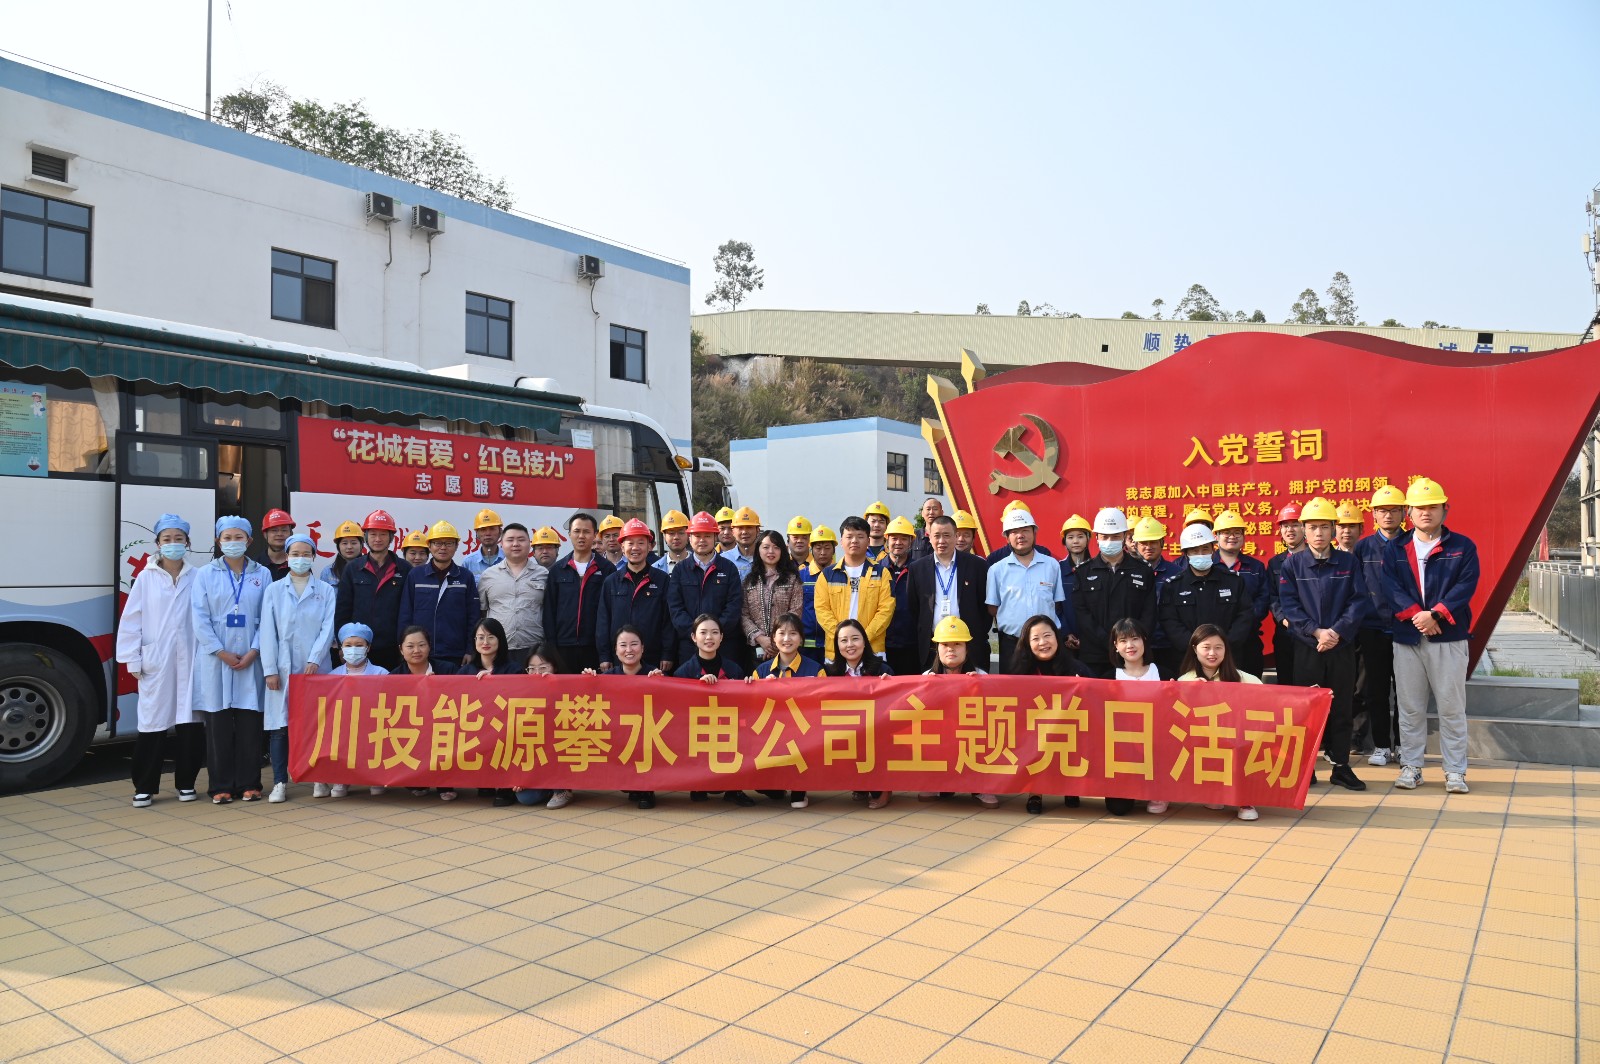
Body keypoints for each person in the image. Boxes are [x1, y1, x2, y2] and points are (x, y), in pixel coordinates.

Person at [1384, 478, 1479, 795]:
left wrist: (1436, 614)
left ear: (1444, 509)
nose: (1426, 512)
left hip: (1448, 638)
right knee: (1409, 707)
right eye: (1420, 507)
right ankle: (1411, 766)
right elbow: (1390, 588)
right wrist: (1419, 616)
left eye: (1433, 507)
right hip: (1407, 638)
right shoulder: (1395, 548)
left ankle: (1455, 771)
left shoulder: (1462, 547)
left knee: (1451, 707)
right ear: (1409, 512)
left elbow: (1465, 586)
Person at [1277, 496, 1370, 791]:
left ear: (1333, 529)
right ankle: (1307, 768)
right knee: (1306, 710)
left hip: (1340, 648)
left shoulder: (1348, 562)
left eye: (1325, 527)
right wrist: (1316, 633)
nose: (1318, 533)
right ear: (1304, 530)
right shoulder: (1293, 565)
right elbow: (1290, 606)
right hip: (1307, 648)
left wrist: (1336, 633)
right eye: (1313, 527)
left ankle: (1341, 766)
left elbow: (1358, 601)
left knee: (1341, 706)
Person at [116, 513, 203, 808]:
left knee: (190, 724)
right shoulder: (146, 577)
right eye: (167, 539)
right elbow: (132, 619)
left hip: (191, 660)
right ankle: (144, 786)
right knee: (153, 724)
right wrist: (132, 659)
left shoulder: (197, 576)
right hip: (157, 661)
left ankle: (186, 783)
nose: (173, 543)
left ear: (187, 543)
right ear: (157, 543)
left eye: (179, 538)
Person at [192, 516, 269, 804]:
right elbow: (199, 618)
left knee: (250, 725)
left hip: (251, 657)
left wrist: (254, 651)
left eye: (239, 537)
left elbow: (268, 616)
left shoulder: (262, 573)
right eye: (227, 537)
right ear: (218, 541)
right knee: (218, 726)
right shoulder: (205, 574)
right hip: (216, 659)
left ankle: (250, 783)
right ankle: (220, 785)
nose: (233, 542)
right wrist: (220, 651)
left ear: (249, 541)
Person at [259, 533, 336, 804]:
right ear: (287, 557)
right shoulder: (274, 590)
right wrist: (270, 669)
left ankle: (319, 778)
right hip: (282, 668)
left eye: (305, 554)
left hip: (316, 668)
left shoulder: (325, 590)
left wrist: (315, 659)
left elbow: (328, 628)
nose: (300, 559)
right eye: (295, 554)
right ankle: (280, 781)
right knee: (280, 726)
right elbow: (267, 631)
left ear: (313, 557)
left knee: (316, 723)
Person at [1176, 624, 1262, 821]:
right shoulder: (1184, 680)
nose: (1212, 653)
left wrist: (1309, 697)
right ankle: (1212, 792)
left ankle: (1245, 799)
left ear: (1226, 649)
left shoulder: (1245, 678)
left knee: (1244, 745)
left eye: (1218, 647)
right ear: (1194, 648)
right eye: (1206, 647)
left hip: (1234, 740)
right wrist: (1186, 691)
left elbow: (1273, 701)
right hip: (1198, 741)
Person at [1008, 615, 1092, 814]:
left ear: (1057, 637)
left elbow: (1097, 697)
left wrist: (1084, 688)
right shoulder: (1019, 671)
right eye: (1035, 638)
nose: (1043, 643)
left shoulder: (1075, 667)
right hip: (1034, 730)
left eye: (1047, 636)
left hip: (1068, 730)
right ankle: (1035, 792)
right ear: (1027, 643)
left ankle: (1071, 787)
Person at [675, 615, 754, 807]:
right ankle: (697, 784)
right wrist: (698, 688)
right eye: (703, 632)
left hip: (728, 729)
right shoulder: (682, 673)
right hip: (698, 732)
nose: (709, 637)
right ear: (694, 637)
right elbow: (678, 712)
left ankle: (734, 789)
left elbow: (745, 706)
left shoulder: (734, 670)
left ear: (721, 637)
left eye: (714, 632)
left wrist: (749, 686)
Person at [585, 625, 666, 809]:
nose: (629, 650)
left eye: (634, 644)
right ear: (615, 650)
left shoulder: (653, 674)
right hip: (619, 735)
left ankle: (647, 789)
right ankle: (631, 783)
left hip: (647, 735)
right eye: (623, 645)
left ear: (642, 648)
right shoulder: (607, 677)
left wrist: (661, 683)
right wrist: (587, 681)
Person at [1072, 508, 1159, 679]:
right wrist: (1109, 642)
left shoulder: (1143, 570)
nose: (1109, 541)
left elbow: (1149, 613)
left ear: (1125, 536)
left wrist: (1130, 641)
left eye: (1115, 536)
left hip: (1133, 655)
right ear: (1096, 537)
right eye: (1104, 537)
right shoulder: (1083, 572)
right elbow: (1082, 614)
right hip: (1095, 655)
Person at [921, 616, 999, 807]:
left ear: (967, 648)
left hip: (971, 739)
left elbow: (994, 716)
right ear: (937, 648)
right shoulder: (925, 678)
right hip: (941, 738)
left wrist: (979, 688)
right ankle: (936, 781)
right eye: (945, 644)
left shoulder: (981, 676)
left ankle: (980, 785)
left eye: (957, 644)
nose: (951, 649)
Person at [1357, 484, 1407, 767]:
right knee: (1376, 690)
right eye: (1382, 510)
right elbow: (1355, 587)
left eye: (1394, 510)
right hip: (1372, 629)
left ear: (1404, 513)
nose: (1388, 515)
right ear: (1373, 514)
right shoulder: (1363, 547)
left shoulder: (1411, 543)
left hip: (1405, 628)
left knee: (1406, 691)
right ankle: (1381, 746)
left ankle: (1402, 745)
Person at [749, 613, 822, 808]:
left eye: (793, 633)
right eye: (781, 633)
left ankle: (799, 788)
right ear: (773, 637)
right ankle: (777, 785)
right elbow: (752, 708)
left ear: (801, 639)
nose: (787, 639)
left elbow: (821, 707)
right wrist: (760, 688)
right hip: (772, 733)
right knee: (766, 789)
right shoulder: (761, 671)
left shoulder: (816, 670)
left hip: (803, 731)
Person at [1161, 523, 1257, 667]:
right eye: (1195, 550)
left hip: (1229, 658)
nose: (1201, 554)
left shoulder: (1233, 581)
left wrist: (1222, 646)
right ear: (1186, 554)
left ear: (1213, 550)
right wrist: (1196, 648)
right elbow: (1170, 622)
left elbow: (1244, 615)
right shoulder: (1173, 586)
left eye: (1205, 549)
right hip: (1188, 658)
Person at [823, 619, 894, 808]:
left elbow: (895, 702)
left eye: (855, 638)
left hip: (876, 730)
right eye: (843, 640)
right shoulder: (830, 672)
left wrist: (890, 684)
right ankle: (860, 784)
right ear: (837, 645)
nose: (850, 645)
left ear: (864, 641)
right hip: (845, 729)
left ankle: (884, 789)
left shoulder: (882, 669)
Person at [987, 508, 1066, 673]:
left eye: (1025, 530)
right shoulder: (997, 570)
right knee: (1014, 688)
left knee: (1050, 687)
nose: (1020, 536)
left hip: (1046, 645)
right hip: (1012, 645)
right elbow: (993, 608)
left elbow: (1057, 603)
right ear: (1007, 538)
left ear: (1034, 532)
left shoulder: (1052, 565)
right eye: (1014, 532)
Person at [909, 515, 990, 673]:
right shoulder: (917, 568)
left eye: (946, 535)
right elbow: (914, 608)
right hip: (932, 646)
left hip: (969, 644)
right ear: (929, 538)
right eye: (937, 536)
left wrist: (977, 631)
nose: (941, 541)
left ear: (955, 536)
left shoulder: (977, 566)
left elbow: (984, 608)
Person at [398, 521, 479, 672]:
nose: (443, 548)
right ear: (429, 546)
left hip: (455, 653)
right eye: (437, 543)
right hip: (420, 653)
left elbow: (473, 617)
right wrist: (404, 648)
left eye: (448, 543)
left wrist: (470, 649)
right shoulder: (415, 575)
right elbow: (405, 614)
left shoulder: (465, 576)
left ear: (456, 546)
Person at [596, 518, 676, 674]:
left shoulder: (662, 580)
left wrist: (668, 653)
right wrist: (604, 655)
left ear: (649, 546)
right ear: (622, 546)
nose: (635, 548)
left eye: (641, 543)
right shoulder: (611, 582)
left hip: (654, 658)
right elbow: (603, 621)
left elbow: (668, 620)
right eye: (630, 543)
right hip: (620, 657)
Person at [336, 509, 411, 672]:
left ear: (391, 538)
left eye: (383, 534)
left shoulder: (404, 569)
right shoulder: (353, 568)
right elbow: (343, 610)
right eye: (373, 534)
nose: (378, 539)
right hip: (359, 647)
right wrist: (342, 643)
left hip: (394, 648)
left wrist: (406, 644)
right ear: (365, 537)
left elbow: (408, 611)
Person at [1108, 618, 1170, 814]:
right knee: (1118, 808)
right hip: (1123, 750)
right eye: (1123, 640)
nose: (1130, 645)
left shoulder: (1164, 673)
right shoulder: (1107, 678)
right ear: (1116, 645)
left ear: (1144, 640)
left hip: (1158, 746)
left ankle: (1160, 790)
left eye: (1135, 638)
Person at [815, 516, 896, 663]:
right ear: (841, 541)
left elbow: (886, 611)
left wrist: (863, 638)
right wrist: (843, 638)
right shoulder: (827, 575)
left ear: (868, 541)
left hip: (872, 650)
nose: (854, 541)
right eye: (849, 536)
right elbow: (822, 611)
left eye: (860, 536)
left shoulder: (882, 573)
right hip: (836, 652)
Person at [668, 511, 744, 668]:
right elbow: (675, 608)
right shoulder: (680, 570)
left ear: (715, 537)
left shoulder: (729, 568)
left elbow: (734, 606)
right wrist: (697, 634)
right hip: (689, 647)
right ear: (690, 538)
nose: (702, 540)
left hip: (724, 646)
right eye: (697, 536)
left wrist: (715, 634)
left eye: (707, 536)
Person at [543, 512, 615, 674]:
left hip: (595, 647)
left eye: (586, 532)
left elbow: (611, 612)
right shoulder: (558, 570)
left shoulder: (607, 569)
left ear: (595, 535)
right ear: (569, 534)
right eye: (577, 531)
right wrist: (552, 648)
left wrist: (606, 652)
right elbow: (549, 612)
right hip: (563, 647)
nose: (581, 536)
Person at [478, 522, 547, 669]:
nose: (515, 544)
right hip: (498, 648)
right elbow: (482, 612)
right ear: (501, 544)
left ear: (530, 544)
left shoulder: (543, 574)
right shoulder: (488, 576)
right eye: (510, 540)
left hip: (534, 648)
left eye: (521, 539)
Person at [1211, 509, 1269, 678]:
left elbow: (1263, 599)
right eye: (1226, 532)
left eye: (1237, 532)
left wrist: (1242, 624)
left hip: (1248, 639)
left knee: (1250, 685)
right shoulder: (1208, 566)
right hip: (1214, 641)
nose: (1232, 537)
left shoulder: (1256, 567)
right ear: (1216, 536)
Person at [741, 530, 804, 670]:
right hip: (755, 650)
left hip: (786, 647)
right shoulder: (749, 581)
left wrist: (777, 641)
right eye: (766, 547)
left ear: (782, 551)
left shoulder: (792, 579)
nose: (771, 551)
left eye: (776, 547)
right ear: (758, 550)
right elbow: (743, 614)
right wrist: (760, 638)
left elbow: (795, 611)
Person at [1131, 517, 1184, 677]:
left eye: (1153, 542)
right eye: (1143, 543)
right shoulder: (1127, 573)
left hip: (1170, 646)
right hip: (1137, 646)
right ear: (1136, 545)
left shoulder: (1177, 573)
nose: (1148, 547)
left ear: (1162, 543)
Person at [1265, 502, 1306, 685]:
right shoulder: (1275, 563)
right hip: (1286, 632)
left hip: (1312, 633)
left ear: (1304, 528)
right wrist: (1283, 619)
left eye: (1295, 524)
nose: (1290, 530)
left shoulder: (1317, 558)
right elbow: (1272, 597)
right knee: (1286, 683)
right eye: (1285, 526)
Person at [881, 516, 922, 677]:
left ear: (911, 541)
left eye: (904, 538)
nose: (898, 542)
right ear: (887, 540)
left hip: (912, 644)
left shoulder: (920, 569)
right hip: (882, 644)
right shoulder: (876, 570)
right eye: (894, 538)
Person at [1056, 514, 1094, 650]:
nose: (1075, 541)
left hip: (1094, 640)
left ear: (1088, 539)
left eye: (1080, 536)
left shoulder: (1098, 568)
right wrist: (1065, 633)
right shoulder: (1058, 569)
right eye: (1070, 537)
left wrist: (1092, 635)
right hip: (1066, 641)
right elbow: (1055, 606)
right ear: (1064, 541)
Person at [799, 523, 834, 662]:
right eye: (818, 548)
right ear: (811, 550)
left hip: (834, 644)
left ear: (834, 549)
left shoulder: (842, 575)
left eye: (827, 548)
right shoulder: (801, 576)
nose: (823, 552)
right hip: (806, 647)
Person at [986, 501, 1055, 565]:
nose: (1020, 535)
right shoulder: (994, 559)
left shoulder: (1044, 553)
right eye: (1014, 531)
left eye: (1024, 529)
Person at [320, 520, 365, 588]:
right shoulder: (328, 572)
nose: (349, 547)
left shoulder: (369, 570)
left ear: (361, 545)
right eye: (344, 543)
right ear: (338, 546)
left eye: (353, 543)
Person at [257, 508, 296, 581]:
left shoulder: (297, 563)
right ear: (265, 534)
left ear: (291, 533)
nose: (279, 534)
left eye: (284, 530)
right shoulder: (256, 565)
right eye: (274, 530)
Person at [463, 508, 504, 576]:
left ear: (500, 532)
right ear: (477, 534)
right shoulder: (468, 562)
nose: (488, 533)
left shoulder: (509, 559)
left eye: (492, 529)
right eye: (483, 529)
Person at [652, 510, 692, 575]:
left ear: (688, 535)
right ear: (664, 536)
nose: (676, 537)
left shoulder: (701, 565)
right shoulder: (654, 569)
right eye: (671, 533)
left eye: (681, 533)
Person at [910, 498, 943, 562]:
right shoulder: (913, 535)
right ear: (922, 513)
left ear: (942, 512)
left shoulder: (947, 536)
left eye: (935, 509)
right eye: (928, 509)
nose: (931, 512)